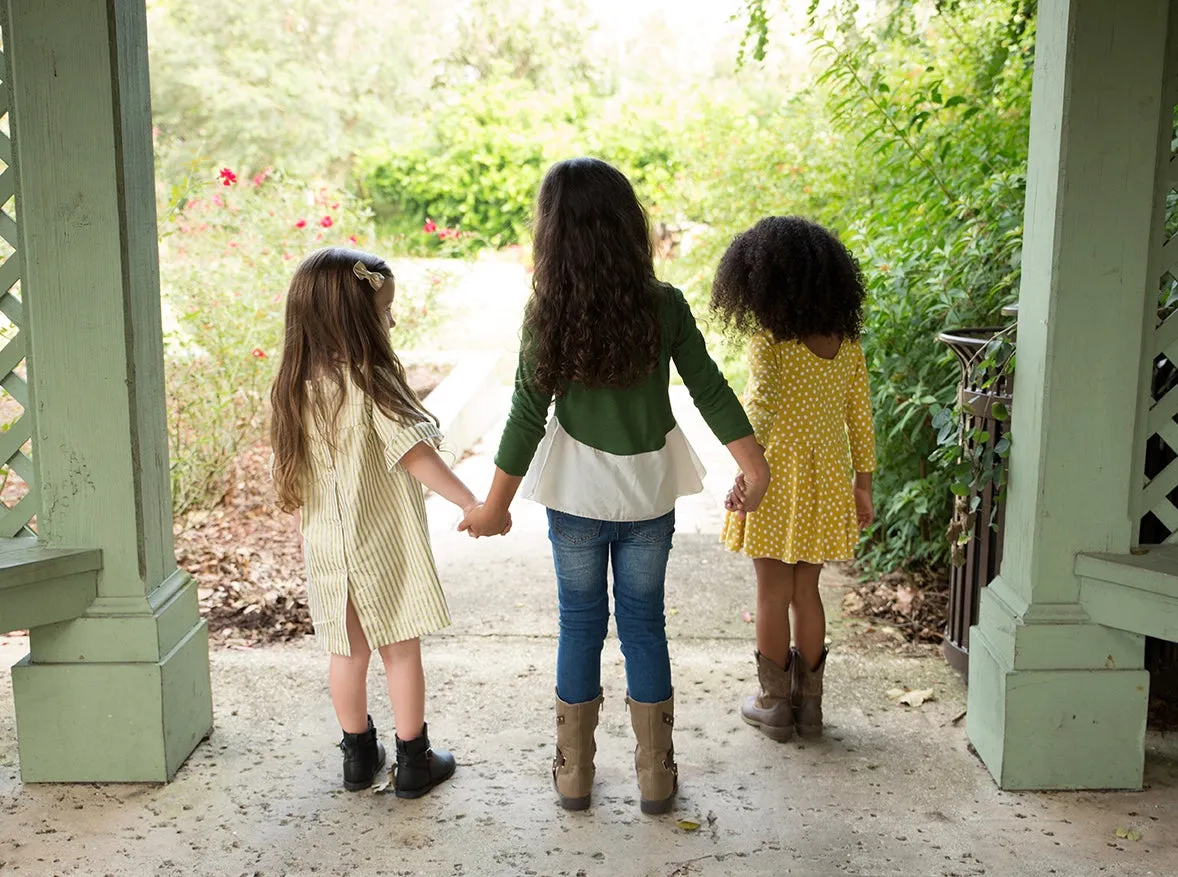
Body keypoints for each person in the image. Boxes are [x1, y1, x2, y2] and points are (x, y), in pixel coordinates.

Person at [459, 158, 770, 815]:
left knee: (580, 623)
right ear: (629, 224)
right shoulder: (663, 305)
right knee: (643, 626)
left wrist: (494, 506)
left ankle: (574, 776)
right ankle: (656, 776)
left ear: (553, 233)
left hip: (576, 496)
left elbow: (525, 414)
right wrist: (754, 463)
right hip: (648, 494)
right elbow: (709, 387)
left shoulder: (548, 311)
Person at [269, 247, 508, 796]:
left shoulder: (293, 385)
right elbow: (414, 455)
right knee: (400, 649)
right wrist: (471, 503)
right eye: (385, 309)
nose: (392, 319)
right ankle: (414, 762)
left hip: (327, 545)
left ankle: (357, 758)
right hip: (379, 539)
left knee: (346, 652)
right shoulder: (372, 382)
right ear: (354, 318)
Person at [712, 215, 876, 742]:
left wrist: (745, 469)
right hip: (828, 479)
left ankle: (773, 703)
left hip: (776, 478)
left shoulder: (772, 342)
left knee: (769, 593)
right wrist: (863, 485)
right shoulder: (846, 345)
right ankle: (810, 708)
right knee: (808, 591)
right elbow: (861, 418)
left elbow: (757, 409)